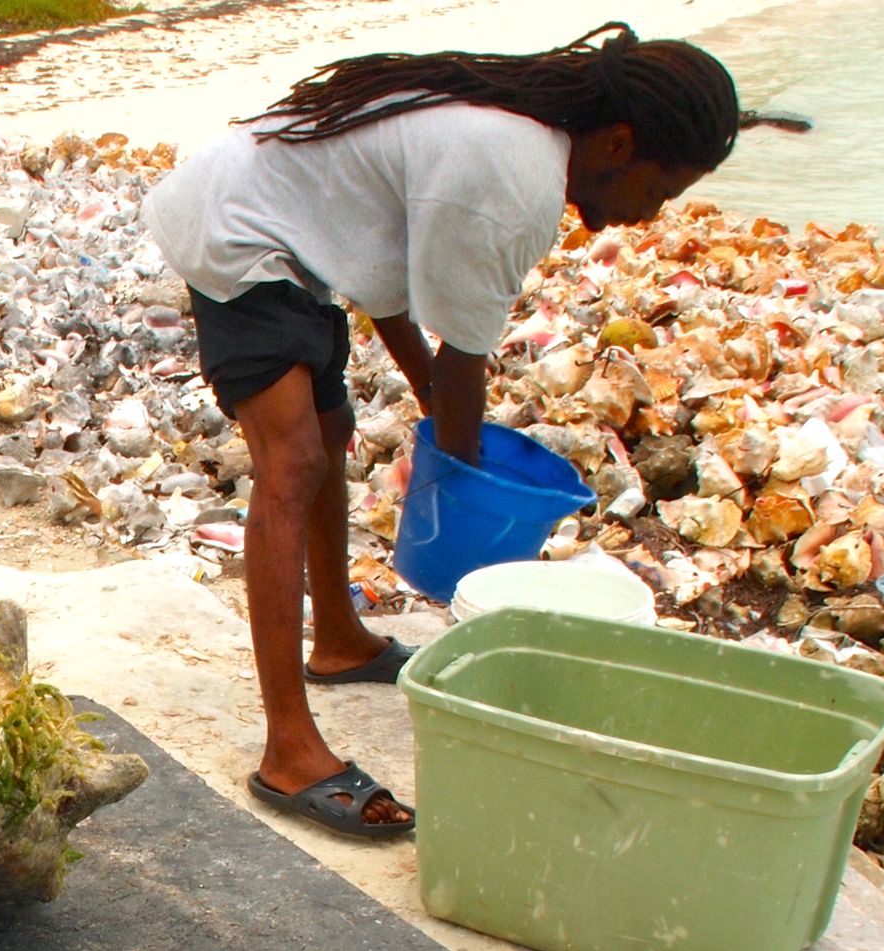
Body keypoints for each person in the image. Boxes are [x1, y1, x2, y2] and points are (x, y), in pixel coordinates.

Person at [141, 23, 741, 839]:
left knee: (332, 430)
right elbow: (464, 362)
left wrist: (431, 402)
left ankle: (342, 642)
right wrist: (458, 473)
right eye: (660, 191)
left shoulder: (513, 132)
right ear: (620, 144)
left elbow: (386, 277)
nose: (649, 215)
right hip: (239, 230)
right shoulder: (519, 178)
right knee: (292, 462)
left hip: (287, 229)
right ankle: (288, 748)